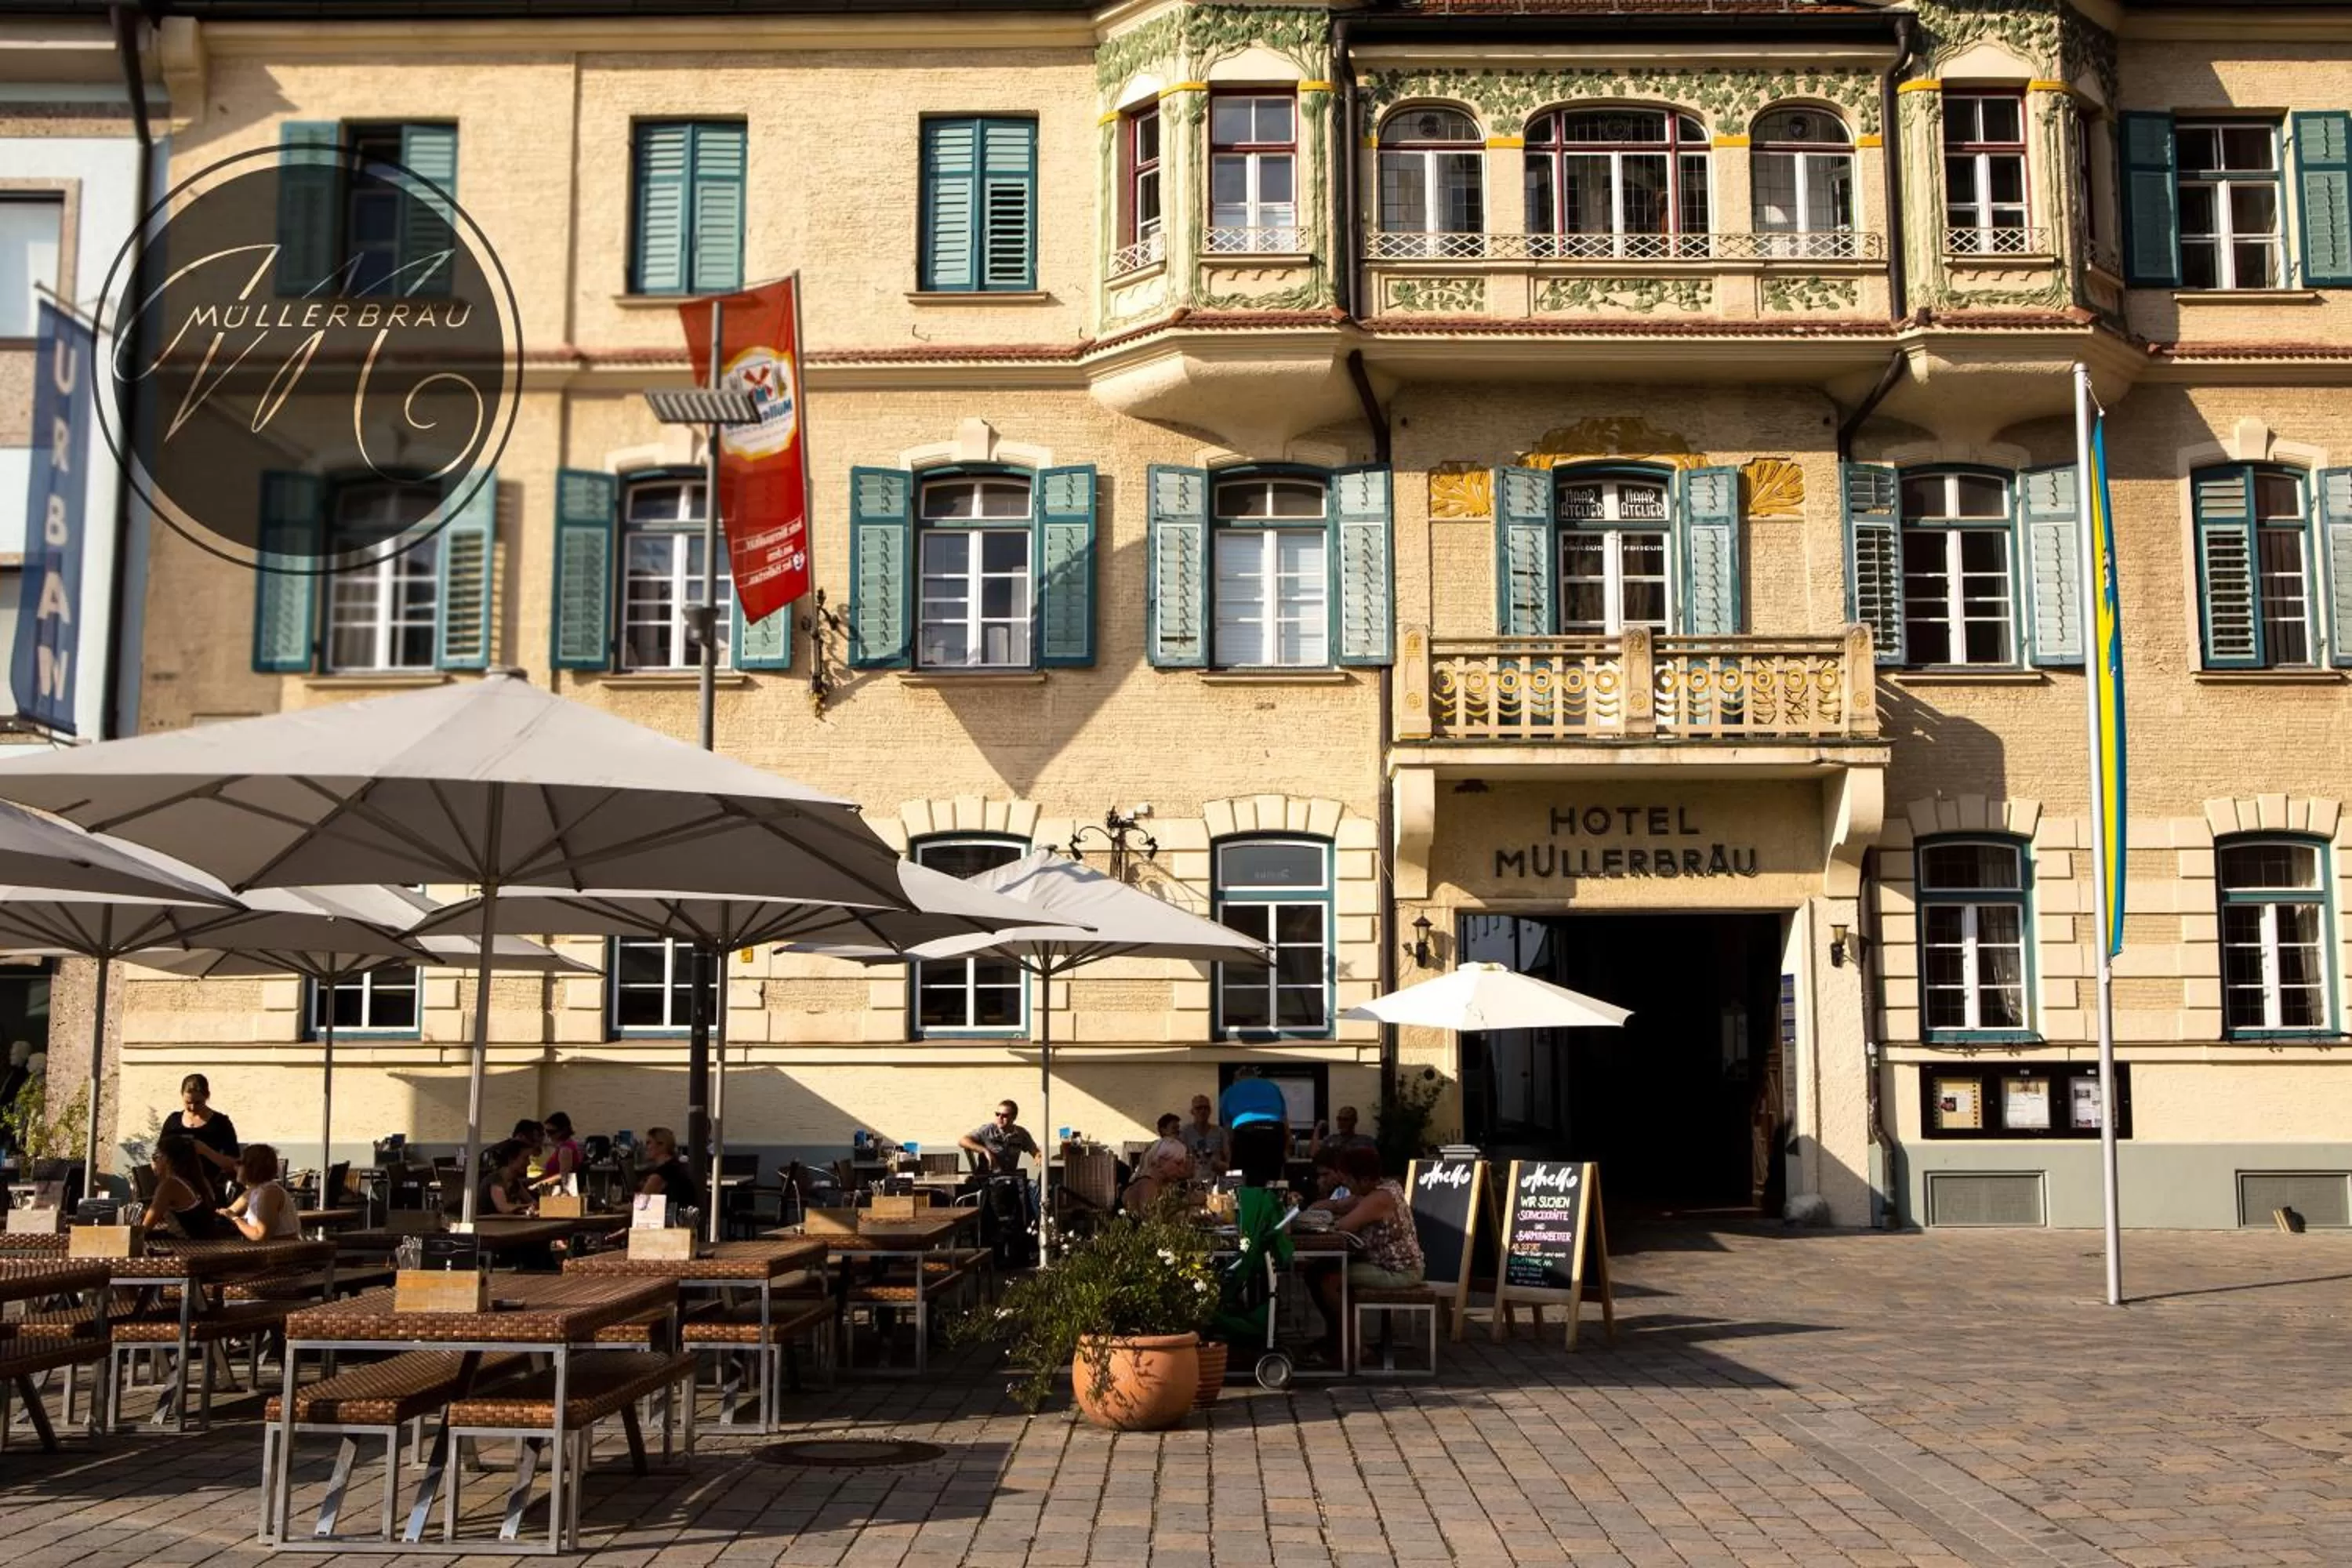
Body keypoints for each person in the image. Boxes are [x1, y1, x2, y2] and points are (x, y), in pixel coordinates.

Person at [1305, 1145, 1425, 1366]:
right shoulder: (1375, 1190)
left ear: (1362, 1178)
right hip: (1382, 1264)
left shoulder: (1379, 1198)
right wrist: (1322, 1208)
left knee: (1329, 1281)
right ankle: (1338, 1338)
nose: (1345, 1184)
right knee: (1315, 1273)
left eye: (1348, 1179)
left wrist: (1318, 1218)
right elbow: (1335, 1205)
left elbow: (1343, 1226)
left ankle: (1355, 1349)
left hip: (1398, 1270)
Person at [158, 1073, 241, 1196]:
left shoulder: (220, 1123)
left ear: (207, 1096)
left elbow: (233, 1164)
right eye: (188, 1103)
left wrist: (205, 1150)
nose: (192, 1107)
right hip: (175, 1186)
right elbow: (160, 1153)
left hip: (210, 1187)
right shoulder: (173, 1121)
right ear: (182, 1096)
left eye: (198, 1103)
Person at [144, 1135, 229, 1240]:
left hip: (189, 1249)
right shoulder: (200, 1180)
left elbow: (145, 1229)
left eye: (155, 1157)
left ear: (167, 1159)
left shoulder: (169, 1185)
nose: (152, 1163)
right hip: (209, 1245)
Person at [1218, 1075, 1288, 1188]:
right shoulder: (1272, 1087)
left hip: (1245, 1130)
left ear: (1237, 1079)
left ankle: (1234, 1200)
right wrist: (1285, 1150)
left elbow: (1229, 1131)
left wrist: (1232, 1157)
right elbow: (1285, 1123)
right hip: (1274, 1130)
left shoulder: (1230, 1090)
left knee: (1237, 1175)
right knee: (1272, 1176)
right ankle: (1274, 1200)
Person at [221, 1144, 301, 1240]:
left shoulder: (270, 1192)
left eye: (239, 1163)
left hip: (282, 1252)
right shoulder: (254, 1190)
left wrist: (235, 1219)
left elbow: (261, 1236)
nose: (235, 1167)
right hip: (265, 1251)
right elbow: (229, 1211)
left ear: (252, 1167)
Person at [634, 1126, 703, 1218]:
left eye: (649, 1143)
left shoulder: (661, 1174)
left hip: (672, 1224)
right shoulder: (676, 1166)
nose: (646, 1147)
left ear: (662, 1145)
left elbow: (639, 1206)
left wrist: (617, 1208)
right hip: (686, 1221)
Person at [959, 1100, 1040, 1177]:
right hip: (989, 1178)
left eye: (1004, 1115)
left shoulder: (1021, 1133)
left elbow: (1035, 1152)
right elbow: (963, 1141)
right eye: (997, 1114)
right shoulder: (987, 1130)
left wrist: (1038, 1157)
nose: (1000, 1117)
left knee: (1036, 1186)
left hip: (1010, 1178)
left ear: (1014, 1117)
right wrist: (985, 1151)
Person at [1120, 1138, 1192, 1214]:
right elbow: (1152, 1221)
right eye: (1178, 1163)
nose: (1181, 1170)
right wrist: (1187, 1202)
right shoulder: (1147, 1185)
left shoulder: (1157, 1186)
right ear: (1161, 1161)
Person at [475, 1140, 536, 1218]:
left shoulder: (514, 1182)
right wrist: (528, 1206)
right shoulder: (495, 1180)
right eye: (525, 1158)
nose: (529, 1163)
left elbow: (532, 1202)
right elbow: (504, 1208)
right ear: (511, 1159)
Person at [533, 1111, 584, 1192]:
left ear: (563, 1131)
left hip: (557, 1193)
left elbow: (564, 1176)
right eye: (546, 1132)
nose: (548, 1135)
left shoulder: (566, 1150)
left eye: (551, 1132)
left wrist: (538, 1184)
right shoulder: (562, 1147)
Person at [1312, 1105, 1376, 1160]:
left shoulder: (1365, 1141)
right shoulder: (1330, 1139)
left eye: (1346, 1120)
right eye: (1339, 1119)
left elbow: (1374, 1162)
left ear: (1355, 1121)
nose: (1341, 1123)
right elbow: (1314, 1154)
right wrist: (1317, 1128)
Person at [1181, 1094, 1221, 1173]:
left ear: (1210, 1111)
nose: (1203, 1111)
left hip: (1216, 1178)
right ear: (1192, 1111)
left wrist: (1218, 1164)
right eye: (1198, 1108)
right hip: (1192, 1179)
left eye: (1206, 1108)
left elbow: (1230, 1162)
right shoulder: (1184, 1132)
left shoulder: (1220, 1132)